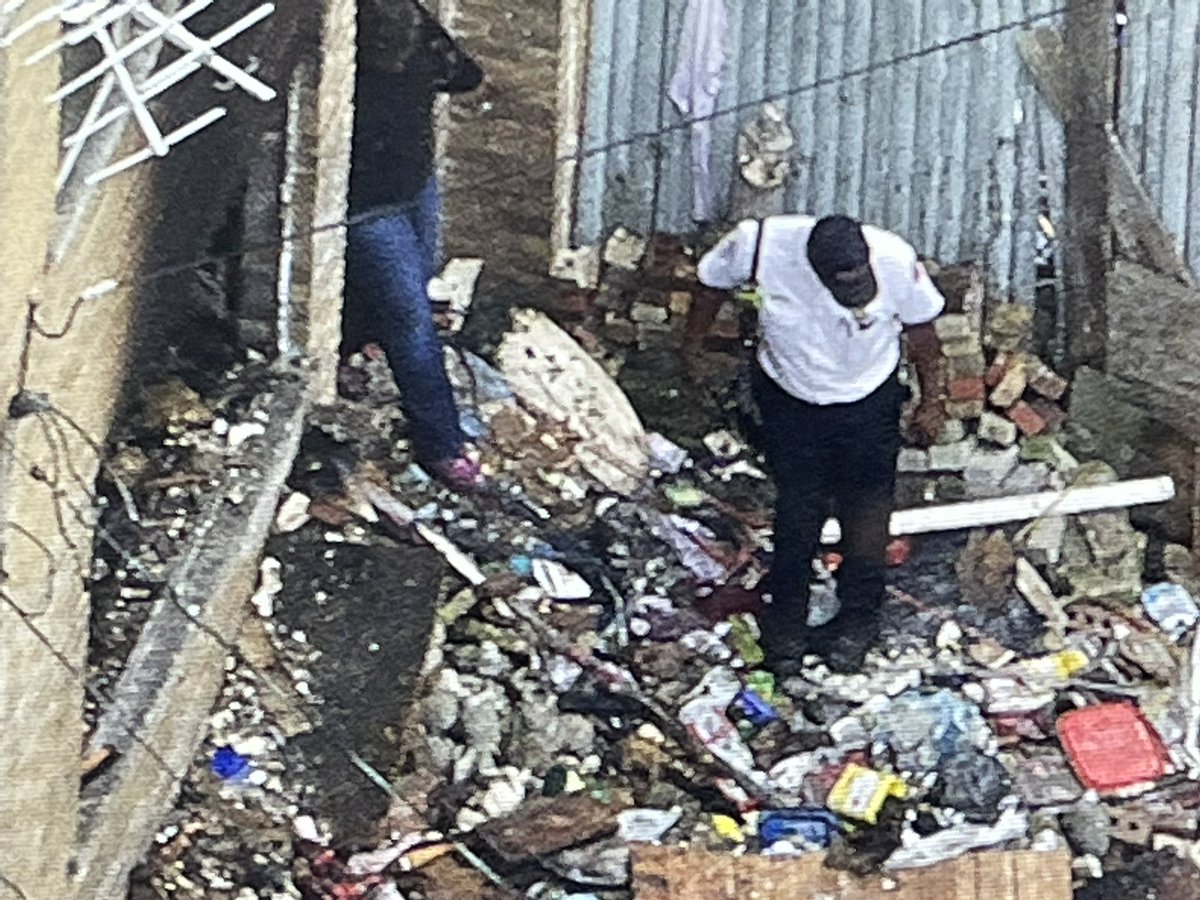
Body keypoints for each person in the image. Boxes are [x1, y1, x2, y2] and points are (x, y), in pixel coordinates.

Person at [696, 214, 946, 675]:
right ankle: (785, 627)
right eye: (843, 284)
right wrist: (694, 350)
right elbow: (709, 285)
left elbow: (925, 340)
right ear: (815, 270)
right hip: (791, 398)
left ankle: (858, 620)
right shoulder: (758, 246)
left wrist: (932, 402)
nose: (856, 289)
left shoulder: (895, 260)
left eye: (860, 279)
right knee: (798, 513)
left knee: (867, 513)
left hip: (868, 399)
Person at [343, 0, 485, 491]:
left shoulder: (416, 29)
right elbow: (463, 74)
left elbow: (467, 75)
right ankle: (442, 445)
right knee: (411, 320)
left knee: (409, 293)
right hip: (370, 204)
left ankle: (358, 345)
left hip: (412, 186)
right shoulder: (347, 47)